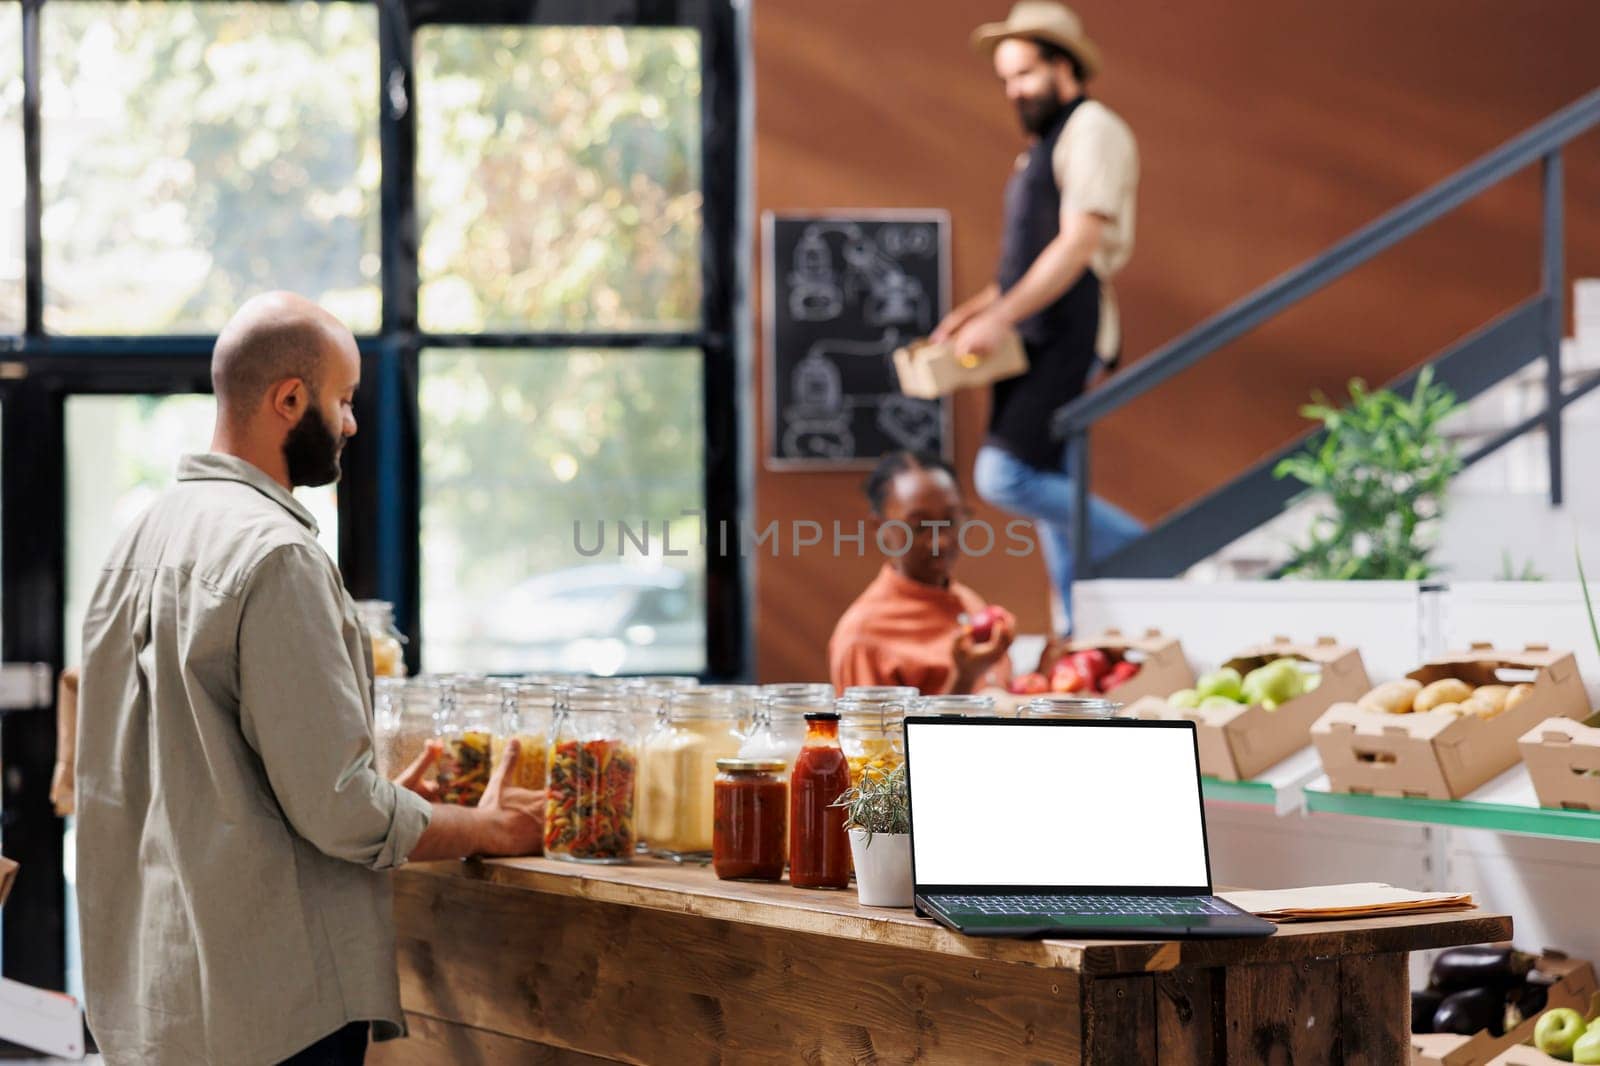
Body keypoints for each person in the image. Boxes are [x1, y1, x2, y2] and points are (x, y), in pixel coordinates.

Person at [75, 292, 545, 1066]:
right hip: (270, 1012)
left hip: (154, 1007)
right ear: (290, 399)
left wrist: (383, 789)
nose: (352, 423)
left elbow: (185, 773)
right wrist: (488, 828)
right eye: (344, 399)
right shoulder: (277, 556)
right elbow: (340, 813)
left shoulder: (137, 541)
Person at [934, 1, 1143, 633]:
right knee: (1056, 503)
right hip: (1034, 328)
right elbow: (1022, 260)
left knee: (1004, 475)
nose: (1014, 91)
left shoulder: (1094, 130)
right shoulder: (1040, 149)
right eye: (1006, 80)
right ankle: (1079, 635)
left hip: (1066, 326)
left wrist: (999, 320)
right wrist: (975, 312)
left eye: (1023, 74)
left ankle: (1159, 548)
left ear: (1063, 66)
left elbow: (1078, 243)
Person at [829, 450, 1015, 694]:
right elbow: (877, 732)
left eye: (950, 521)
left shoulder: (969, 603)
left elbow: (996, 702)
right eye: (919, 528)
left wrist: (1043, 674)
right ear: (880, 529)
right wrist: (964, 678)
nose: (941, 542)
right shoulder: (863, 637)